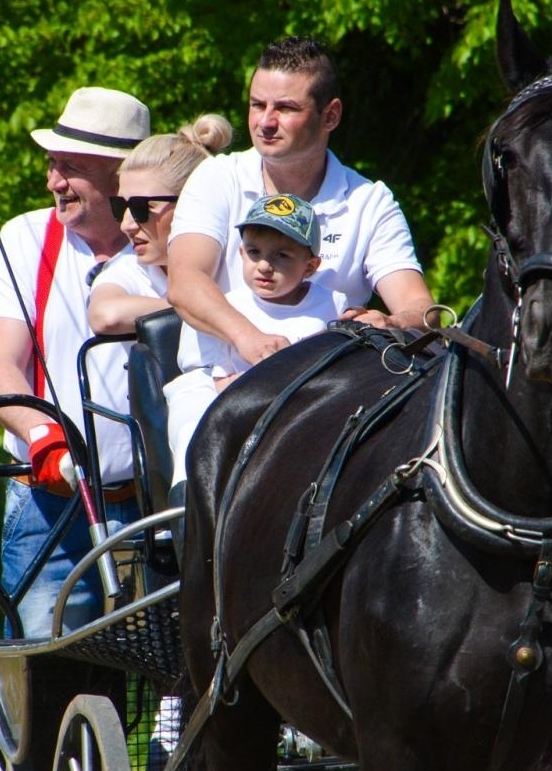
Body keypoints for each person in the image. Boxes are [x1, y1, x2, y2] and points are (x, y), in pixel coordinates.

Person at [163, 36, 433, 483]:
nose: (265, 122)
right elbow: (185, 282)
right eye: (256, 105)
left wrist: (389, 323)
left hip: (331, 390)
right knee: (196, 478)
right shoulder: (217, 177)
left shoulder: (369, 200)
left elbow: (420, 307)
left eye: (285, 108)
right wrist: (249, 339)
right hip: (217, 381)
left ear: (331, 115)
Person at [0, 86, 150, 638]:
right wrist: (43, 435)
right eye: (53, 164)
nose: (54, 181)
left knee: (169, 670)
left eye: (70, 168)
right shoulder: (24, 239)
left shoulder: (171, 246)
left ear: (120, 177)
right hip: (46, 502)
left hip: (152, 502)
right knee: (43, 662)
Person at [86, 114, 235, 335]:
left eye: (141, 208)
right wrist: (202, 307)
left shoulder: (244, 255)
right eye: (120, 207)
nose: (126, 225)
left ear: (191, 203)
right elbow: (105, 315)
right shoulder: (132, 269)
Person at [199, 193, 346, 391]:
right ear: (242, 254)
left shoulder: (333, 303)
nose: (264, 266)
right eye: (254, 252)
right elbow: (221, 379)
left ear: (310, 267)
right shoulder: (231, 306)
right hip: (249, 404)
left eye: (282, 255)